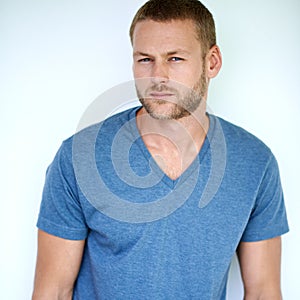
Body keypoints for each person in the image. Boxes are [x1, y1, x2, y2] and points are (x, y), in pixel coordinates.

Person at [32, 0, 289, 299]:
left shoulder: (255, 163)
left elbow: (262, 291)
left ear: (212, 62)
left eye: (175, 59)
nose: (158, 76)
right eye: (145, 59)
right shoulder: (79, 158)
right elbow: (54, 290)